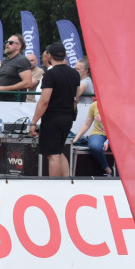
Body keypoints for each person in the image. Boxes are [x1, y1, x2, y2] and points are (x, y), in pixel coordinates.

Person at [29, 42, 80, 177]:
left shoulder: (50, 74)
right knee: (59, 151)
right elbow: (76, 98)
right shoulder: (75, 73)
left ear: (49, 56)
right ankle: (66, 182)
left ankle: (55, 187)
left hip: (52, 118)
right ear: (65, 55)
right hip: (68, 117)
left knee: (52, 155)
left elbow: (44, 100)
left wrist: (34, 122)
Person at [72, 100, 113, 176]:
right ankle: (108, 171)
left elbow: (120, 128)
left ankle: (119, 175)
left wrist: (108, 141)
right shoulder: (94, 105)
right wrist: (75, 139)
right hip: (98, 134)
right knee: (95, 146)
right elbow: (87, 124)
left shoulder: (118, 105)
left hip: (114, 136)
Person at [0, 34, 32, 101]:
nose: (7, 44)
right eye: (6, 42)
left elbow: (27, 83)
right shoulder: (6, 60)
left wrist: (5, 89)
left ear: (18, 46)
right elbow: (6, 78)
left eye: (10, 42)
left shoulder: (22, 60)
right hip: (2, 102)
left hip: (15, 103)